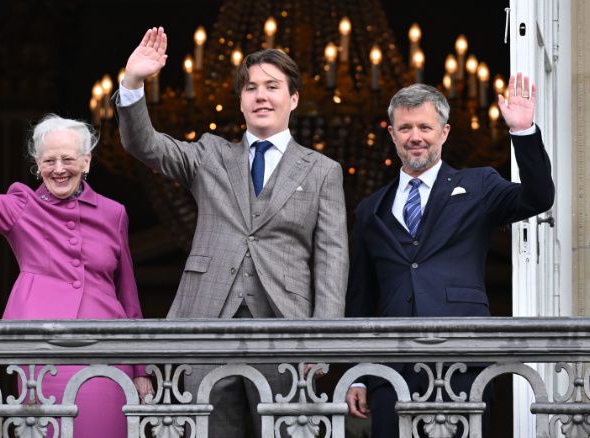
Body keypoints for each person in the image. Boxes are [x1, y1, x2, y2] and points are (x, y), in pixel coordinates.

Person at [115, 28, 348, 437]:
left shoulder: (321, 170)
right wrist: (133, 83)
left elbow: (332, 258)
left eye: (272, 87)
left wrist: (323, 335)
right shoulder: (211, 154)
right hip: (206, 323)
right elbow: (145, 145)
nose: (261, 96)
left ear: (292, 99)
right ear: (240, 101)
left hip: (286, 329)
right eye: (252, 88)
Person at [0, 75, 153, 437]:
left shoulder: (113, 213)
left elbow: (128, 296)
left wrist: (141, 370)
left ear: (86, 161)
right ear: (37, 164)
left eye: (68, 159)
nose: (59, 169)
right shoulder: (22, 207)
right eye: (49, 160)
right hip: (44, 352)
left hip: (106, 351)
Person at [344, 74, 555, 437]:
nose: (415, 136)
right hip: (391, 369)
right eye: (405, 127)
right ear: (392, 134)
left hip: (462, 362)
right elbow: (361, 297)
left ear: (444, 132)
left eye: (425, 126)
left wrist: (523, 131)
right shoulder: (370, 209)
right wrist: (359, 373)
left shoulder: (479, 185)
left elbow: (538, 197)